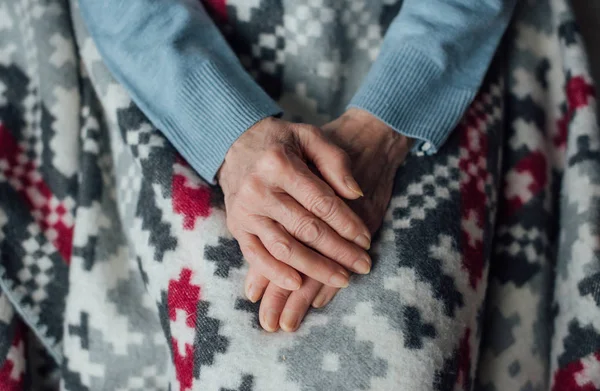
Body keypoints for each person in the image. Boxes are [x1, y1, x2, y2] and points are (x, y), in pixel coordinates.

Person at [78, 0, 516, 333]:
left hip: (444, 40)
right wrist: (230, 134)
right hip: (166, 50)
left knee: (414, 322)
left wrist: (383, 130)